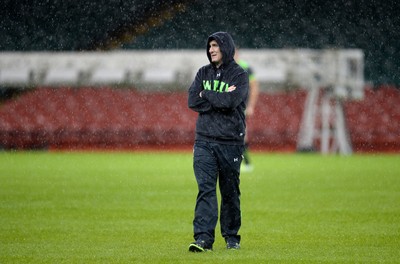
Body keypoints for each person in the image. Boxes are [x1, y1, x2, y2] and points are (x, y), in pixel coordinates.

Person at [187, 32, 249, 252]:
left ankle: (232, 236)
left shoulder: (239, 75)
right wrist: (214, 99)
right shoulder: (202, 72)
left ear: (225, 47)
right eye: (210, 46)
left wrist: (207, 94)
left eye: (216, 45)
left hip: (230, 142)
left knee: (230, 191)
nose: (211, 49)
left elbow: (231, 101)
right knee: (205, 189)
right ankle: (203, 239)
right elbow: (192, 100)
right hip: (204, 141)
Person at [234, 48, 260, 172]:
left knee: (241, 133)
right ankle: (241, 162)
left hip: (241, 107)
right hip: (227, 107)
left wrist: (251, 106)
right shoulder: (222, 67)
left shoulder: (245, 68)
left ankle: (245, 162)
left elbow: (254, 87)